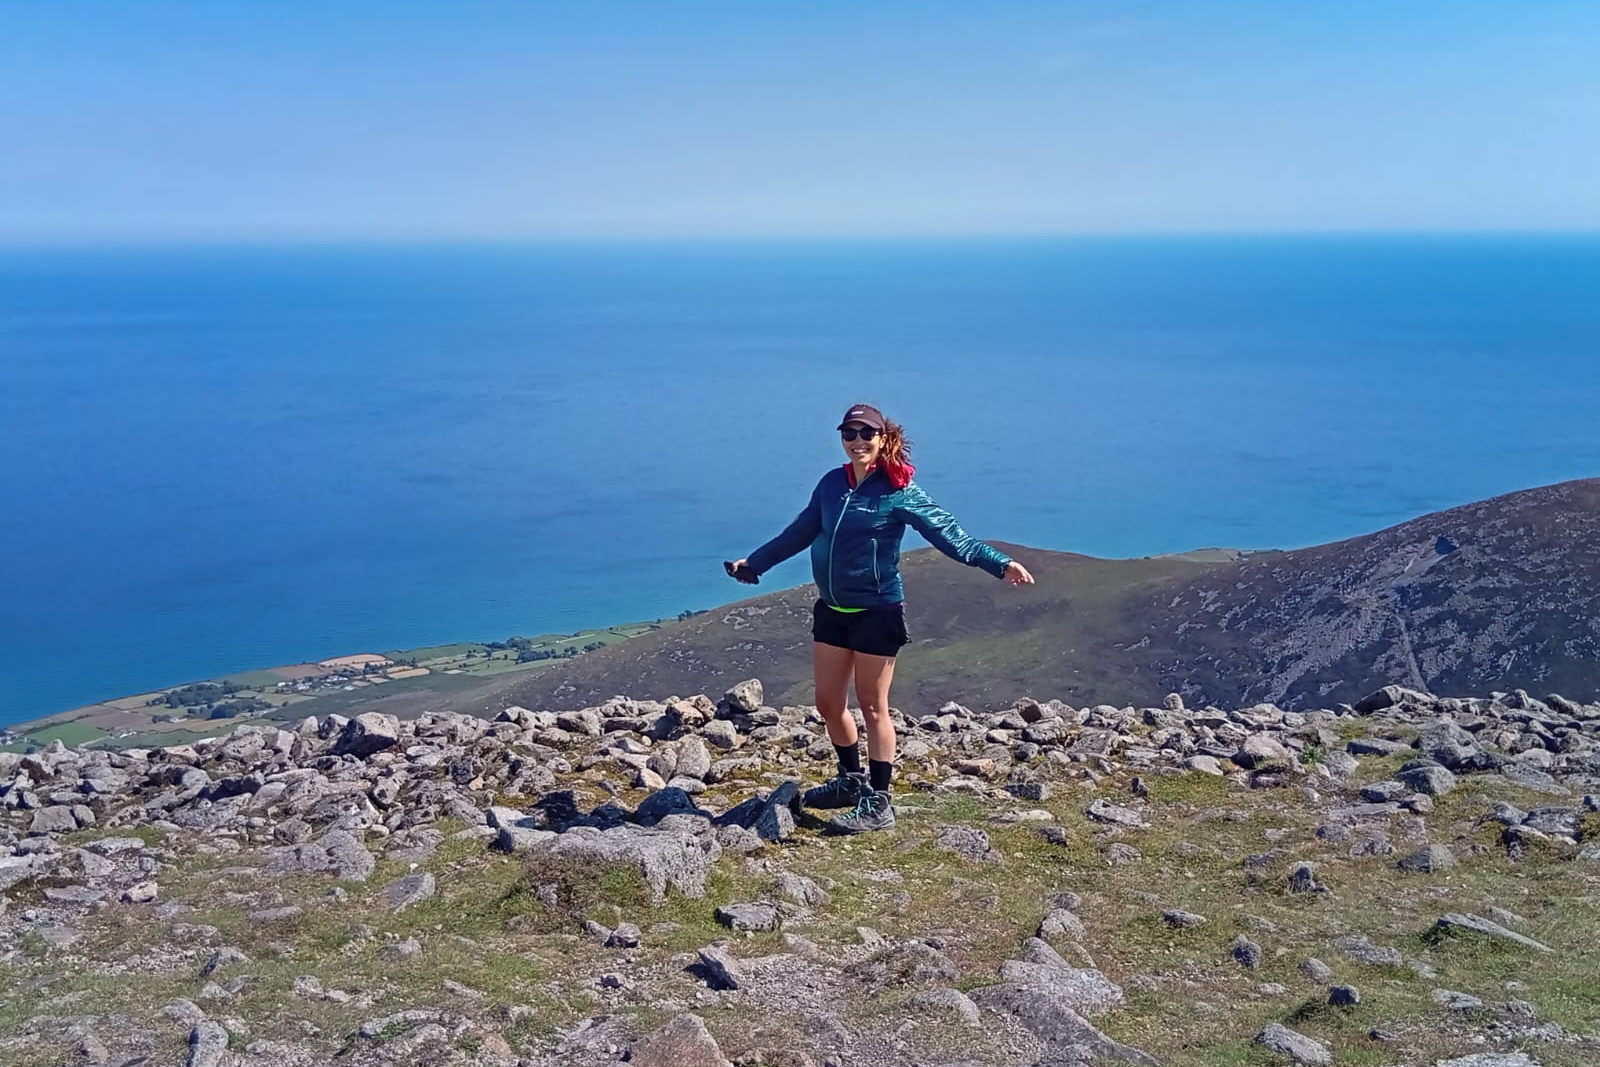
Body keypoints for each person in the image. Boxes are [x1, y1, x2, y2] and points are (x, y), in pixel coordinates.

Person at [727, 403, 1034, 833]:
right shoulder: (832, 484)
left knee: (873, 707)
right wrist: (755, 564)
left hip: (877, 612)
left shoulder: (898, 489)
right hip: (832, 610)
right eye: (848, 433)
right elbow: (800, 531)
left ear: (884, 438)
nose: (857, 441)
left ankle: (879, 801)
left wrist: (999, 563)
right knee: (828, 704)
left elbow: (948, 533)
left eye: (866, 433)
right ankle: (851, 781)